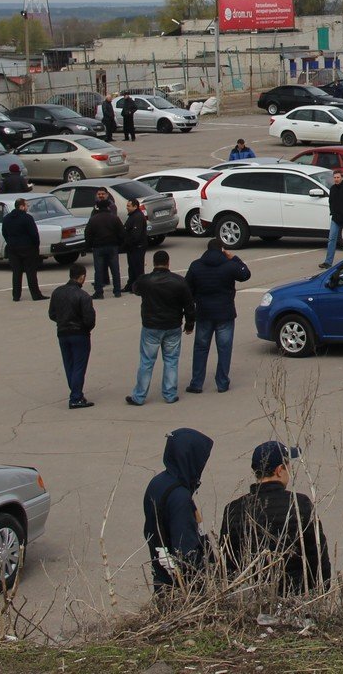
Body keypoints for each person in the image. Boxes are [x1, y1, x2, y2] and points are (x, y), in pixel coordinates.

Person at [220, 441, 330, 596]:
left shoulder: (234, 509)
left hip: (251, 597)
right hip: (295, 596)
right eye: (288, 465)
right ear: (279, 470)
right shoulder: (300, 504)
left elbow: (228, 562)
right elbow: (317, 555)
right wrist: (320, 592)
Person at [142, 428, 213, 594]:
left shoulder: (159, 482)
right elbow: (186, 552)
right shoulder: (180, 497)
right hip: (178, 586)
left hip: (161, 573)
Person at [126, 250, 195, 407]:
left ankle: (139, 396)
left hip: (151, 326)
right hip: (172, 325)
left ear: (154, 263)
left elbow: (135, 288)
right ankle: (170, 394)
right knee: (171, 360)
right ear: (168, 263)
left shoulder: (146, 281)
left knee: (147, 361)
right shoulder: (179, 281)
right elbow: (189, 305)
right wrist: (190, 323)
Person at [186, 238, 251, 395]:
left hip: (204, 312)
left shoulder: (196, 265)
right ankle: (222, 382)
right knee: (224, 348)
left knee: (201, 348)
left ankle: (196, 383)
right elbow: (245, 274)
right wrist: (234, 258)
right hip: (225, 312)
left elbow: (188, 289)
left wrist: (195, 303)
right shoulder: (229, 266)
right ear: (222, 249)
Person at [48, 262, 96, 408]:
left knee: (69, 365)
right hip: (79, 334)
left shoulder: (57, 292)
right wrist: (84, 328)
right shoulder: (83, 296)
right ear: (82, 277)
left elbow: (52, 314)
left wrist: (62, 321)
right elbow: (89, 320)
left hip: (62, 333)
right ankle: (75, 397)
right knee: (79, 366)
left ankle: (75, 392)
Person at [2, 197, 45, 301]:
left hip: (13, 249)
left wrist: (11, 242)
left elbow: (4, 233)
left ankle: (16, 296)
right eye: (27, 205)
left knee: (16, 272)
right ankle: (36, 295)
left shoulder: (7, 218)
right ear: (21, 206)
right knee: (31, 272)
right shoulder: (27, 218)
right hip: (28, 248)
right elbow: (34, 234)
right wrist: (36, 246)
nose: (27, 207)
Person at [86, 196, 125, 300]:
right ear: (108, 207)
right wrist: (119, 244)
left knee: (98, 270)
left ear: (98, 208)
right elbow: (121, 233)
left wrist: (90, 245)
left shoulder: (93, 219)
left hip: (98, 247)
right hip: (112, 246)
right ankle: (117, 291)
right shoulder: (114, 218)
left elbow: (88, 234)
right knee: (115, 269)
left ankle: (99, 292)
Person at [320, 170, 343, 269]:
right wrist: (332, 212)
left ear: (342, 178)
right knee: (331, 239)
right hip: (335, 219)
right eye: (335, 177)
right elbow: (331, 202)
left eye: (338, 177)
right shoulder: (332, 189)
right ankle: (328, 262)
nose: (336, 179)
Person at [124, 198, 150, 286]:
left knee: (137, 268)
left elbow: (136, 235)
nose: (127, 207)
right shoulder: (132, 216)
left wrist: (128, 243)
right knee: (132, 267)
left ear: (135, 206)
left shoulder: (137, 217)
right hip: (132, 247)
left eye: (128, 206)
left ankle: (139, 286)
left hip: (137, 247)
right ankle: (131, 284)